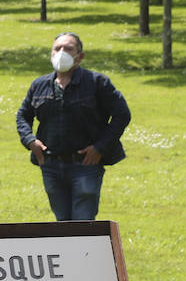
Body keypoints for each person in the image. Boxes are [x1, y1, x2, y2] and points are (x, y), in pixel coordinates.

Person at [15, 32, 131, 221]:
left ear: (80, 56)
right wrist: (30, 141)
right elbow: (23, 115)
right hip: (50, 164)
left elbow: (122, 114)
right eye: (57, 48)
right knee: (62, 223)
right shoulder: (39, 85)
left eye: (68, 49)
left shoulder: (97, 83)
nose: (62, 53)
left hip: (85, 164)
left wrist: (100, 148)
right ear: (51, 54)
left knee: (83, 223)